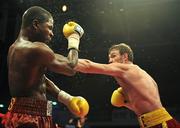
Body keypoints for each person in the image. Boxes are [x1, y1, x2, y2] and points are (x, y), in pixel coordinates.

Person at [1, 6, 89, 128]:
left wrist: (67, 99)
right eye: (50, 27)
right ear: (36, 24)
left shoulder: (15, 48)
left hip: (25, 114)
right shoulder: (36, 49)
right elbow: (70, 68)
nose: (52, 33)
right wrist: (74, 37)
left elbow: (41, 80)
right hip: (30, 118)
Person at [75, 43, 180, 128]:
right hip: (154, 123)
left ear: (125, 56)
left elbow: (88, 66)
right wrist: (126, 104)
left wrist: (69, 57)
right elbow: (143, 106)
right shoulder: (136, 78)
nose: (110, 60)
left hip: (161, 124)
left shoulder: (129, 69)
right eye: (109, 57)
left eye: (113, 56)